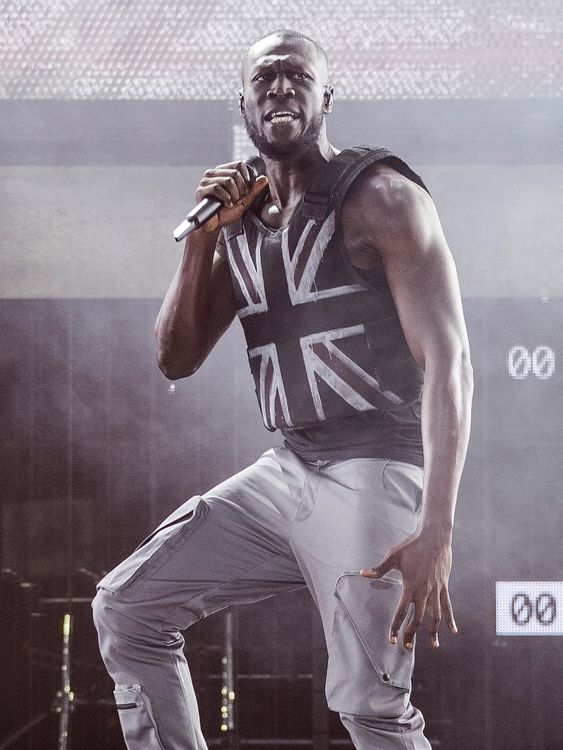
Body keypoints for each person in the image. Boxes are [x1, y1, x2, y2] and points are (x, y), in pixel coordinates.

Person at [92, 28, 473, 750]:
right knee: (126, 609)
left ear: (325, 97)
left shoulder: (383, 199)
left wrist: (437, 526)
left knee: (370, 706)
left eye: (296, 76)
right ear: (243, 104)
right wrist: (204, 239)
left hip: (376, 468)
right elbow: (174, 359)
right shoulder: (237, 221)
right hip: (291, 469)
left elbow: (450, 364)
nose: (279, 88)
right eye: (264, 79)